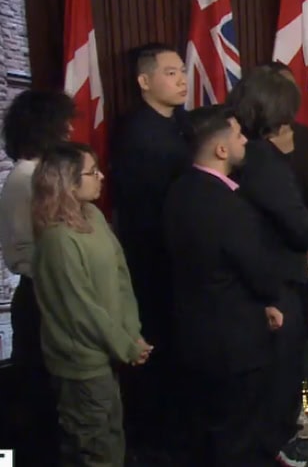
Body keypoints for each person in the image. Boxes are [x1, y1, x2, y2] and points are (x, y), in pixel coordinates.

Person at [163, 105, 287, 466]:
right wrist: (272, 296)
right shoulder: (230, 206)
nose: (245, 140)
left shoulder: (177, 192)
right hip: (236, 343)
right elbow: (259, 271)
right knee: (239, 439)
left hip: (192, 335)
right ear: (220, 149)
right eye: (237, 135)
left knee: (207, 435)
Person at [226, 66, 308, 466]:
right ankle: (278, 446)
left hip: (250, 282)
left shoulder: (238, 152)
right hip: (278, 279)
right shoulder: (262, 159)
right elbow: (295, 219)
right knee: (281, 371)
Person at [31, 142, 152, 467]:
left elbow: (120, 274)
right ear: (68, 182)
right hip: (82, 365)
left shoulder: (94, 216)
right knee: (94, 449)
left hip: (109, 352)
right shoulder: (58, 239)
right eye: (92, 172)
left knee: (113, 439)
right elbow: (80, 310)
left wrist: (132, 332)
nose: (101, 177)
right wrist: (126, 346)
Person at [109, 42, 190, 456]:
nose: (182, 80)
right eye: (171, 73)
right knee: (160, 350)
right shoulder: (135, 134)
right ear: (144, 81)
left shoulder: (185, 123)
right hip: (153, 261)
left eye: (182, 71)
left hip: (187, 259)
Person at [0, 90, 75, 465]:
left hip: (44, 292)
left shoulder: (33, 175)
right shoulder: (27, 179)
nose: (70, 131)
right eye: (64, 123)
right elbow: (31, 248)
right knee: (40, 395)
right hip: (40, 295)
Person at [259, 60, 308, 438]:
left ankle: (297, 406)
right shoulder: (254, 148)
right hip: (274, 259)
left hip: (307, 251)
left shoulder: (304, 136)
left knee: (299, 332)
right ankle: (278, 416)